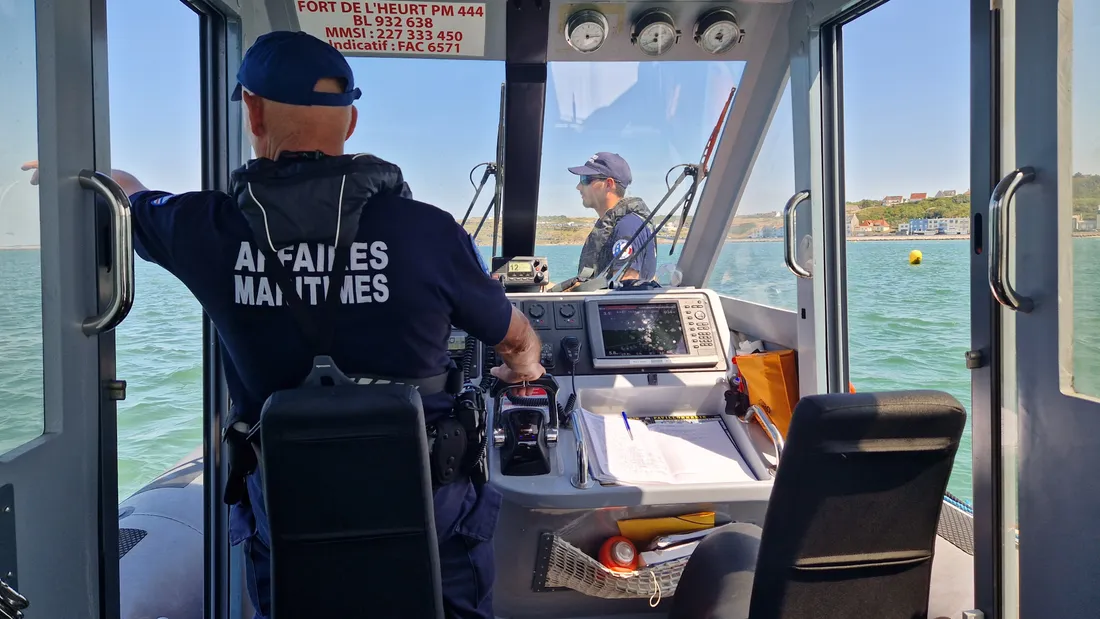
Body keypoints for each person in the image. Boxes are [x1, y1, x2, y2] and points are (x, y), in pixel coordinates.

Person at [23, 30, 543, 619]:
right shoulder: (427, 230)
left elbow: (126, 197)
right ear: (349, 122)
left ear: (251, 110)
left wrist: (77, 172)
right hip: (430, 500)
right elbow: (514, 335)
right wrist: (523, 367)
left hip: (291, 500)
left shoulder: (203, 229)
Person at [569, 152, 657, 284]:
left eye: (585, 179)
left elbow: (624, 294)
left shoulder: (628, 227)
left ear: (609, 184)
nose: (579, 187)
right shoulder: (620, 224)